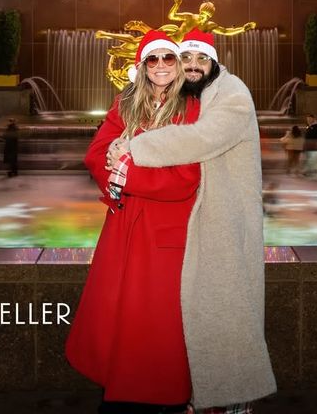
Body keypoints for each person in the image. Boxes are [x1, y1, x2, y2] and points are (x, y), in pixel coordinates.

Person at [107, 29, 276, 413]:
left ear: (214, 61)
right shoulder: (195, 95)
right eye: (186, 60)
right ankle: (207, 398)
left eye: (201, 59)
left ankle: (234, 401)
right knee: (207, 309)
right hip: (205, 213)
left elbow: (202, 139)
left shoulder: (232, 92)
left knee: (230, 309)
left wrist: (134, 148)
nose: (193, 66)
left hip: (227, 215)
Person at [66, 29, 200, 413]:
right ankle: (122, 388)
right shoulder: (126, 102)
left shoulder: (193, 108)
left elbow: (187, 174)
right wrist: (114, 161)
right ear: (142, 67)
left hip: (166, 229)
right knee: (118, 312)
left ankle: (169, 393)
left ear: (179, 64)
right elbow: (95, 153)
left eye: (168, 58)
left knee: (160, 318)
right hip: (124, 226)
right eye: (152, 59)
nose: (160, 66)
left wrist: (128, 167)